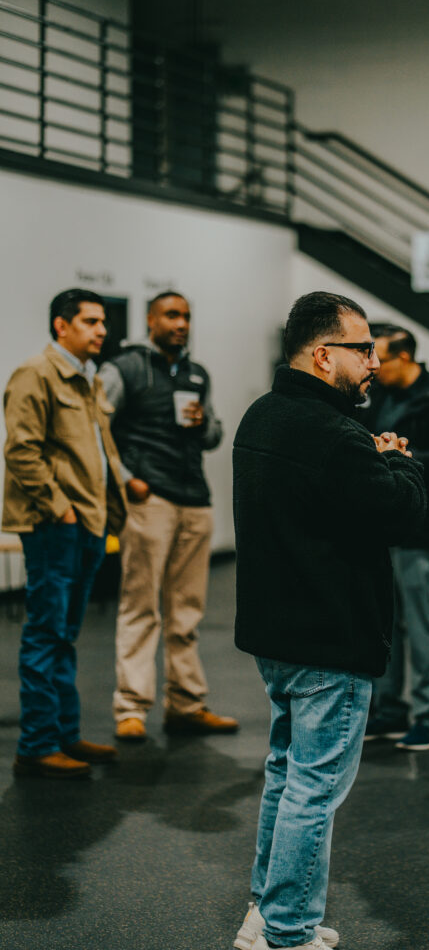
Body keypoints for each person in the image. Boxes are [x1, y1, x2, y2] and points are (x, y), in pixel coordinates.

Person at [232, 292, 426, 950]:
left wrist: (368, 458)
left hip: (276, 638)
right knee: (312, 789)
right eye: (363, 348)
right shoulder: (335, 435)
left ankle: (264, 912)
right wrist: (396, 458)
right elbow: (401, 512)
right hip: (329, 640)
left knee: (285, 776)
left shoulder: (262, 415)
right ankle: (289, 931)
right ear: (323, 355)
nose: (374, 361)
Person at [99, 291, 238, 741]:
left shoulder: (197, 374)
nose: (181, 324)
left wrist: (202, 424)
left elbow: (214, 433)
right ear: (151, 320)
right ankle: (131, 708)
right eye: (172, 316)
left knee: (187, 612)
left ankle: (186, 704)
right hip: (149, 499)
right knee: (141, 607)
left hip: (194, 500)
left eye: (187, 317)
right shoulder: (124, 369)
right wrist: (125, 478)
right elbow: (94, 427)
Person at [3, 288, 127, 778]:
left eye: (103, 322)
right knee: (45, 635)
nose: (102, 330)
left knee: (65, 636)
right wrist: (60, 510)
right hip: (57, 526)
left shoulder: (88, 378)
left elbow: (101, 449)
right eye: (91, 322)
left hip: (91, 522)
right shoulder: (36, 374)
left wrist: (120, 493)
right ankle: (36, 746)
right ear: (61, 325)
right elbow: (21, 451)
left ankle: (65, 735)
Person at [358, 323, 429, 751]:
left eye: (379, 357)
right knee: (384, 622)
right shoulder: (377, 395)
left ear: (404, 356)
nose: (373, 365)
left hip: (420, 527)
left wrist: (401, 455)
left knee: (422, 624)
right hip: (381, 524)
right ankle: (388, 710)